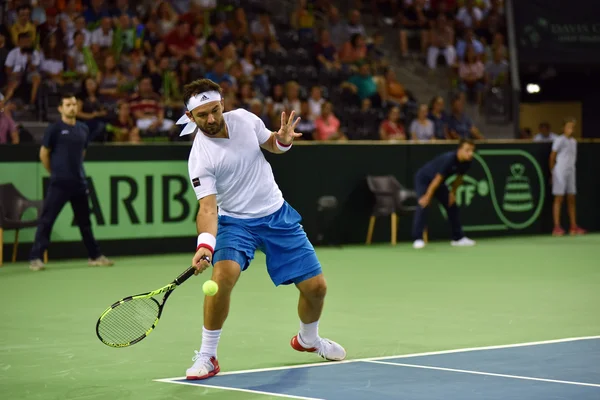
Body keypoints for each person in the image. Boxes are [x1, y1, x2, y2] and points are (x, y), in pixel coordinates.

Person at [179, 79, 346, 380]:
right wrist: (205, 245)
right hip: (234, 222)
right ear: (190, 117)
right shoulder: (200, 158)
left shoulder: (244, 119)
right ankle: (208, 355)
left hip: (275, 214)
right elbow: (207, 208)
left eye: (215, 110)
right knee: (222, 277)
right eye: (202, 115)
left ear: (223, 103)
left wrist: (283, 140)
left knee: (316, 288)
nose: (212, 119)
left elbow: (272, 145)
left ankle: (308, 339)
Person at [28, 93, 114, 271]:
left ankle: (95, 256)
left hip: (79, 184)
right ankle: (36, 258)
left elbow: (81, 153)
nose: (72, 107)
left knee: (85, 223)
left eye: (74, 104)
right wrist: (56, 172)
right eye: (68, 105)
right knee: (47, 220)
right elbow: (44, 154)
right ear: (60, 108)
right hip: (59, 184)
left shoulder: (83, 129)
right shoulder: (54, 129)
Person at [412, 138, 477, 249]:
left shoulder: (468, 162)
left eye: (472, 150)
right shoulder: (449, 159)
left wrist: (452, 193)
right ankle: (418, 239)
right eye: (467, 150)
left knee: (452, 205)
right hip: (424, 179)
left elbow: (459, 179)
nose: (470, 153)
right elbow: (437, 179)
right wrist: (428, 196)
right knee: (424, 203)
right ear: (459, 150)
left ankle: (458, 238)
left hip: (438, 182)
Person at [549, 118, 586, 236]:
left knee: (571, 198)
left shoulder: (574, 142)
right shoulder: (559, 140)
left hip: (571, 172)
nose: (571, 129)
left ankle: (573, 226)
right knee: (559, 198)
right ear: (563, 128)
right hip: (559, 171)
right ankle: (556, 227)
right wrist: (552, 172)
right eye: (569, 126)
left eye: (573, 127)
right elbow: (552, 157)